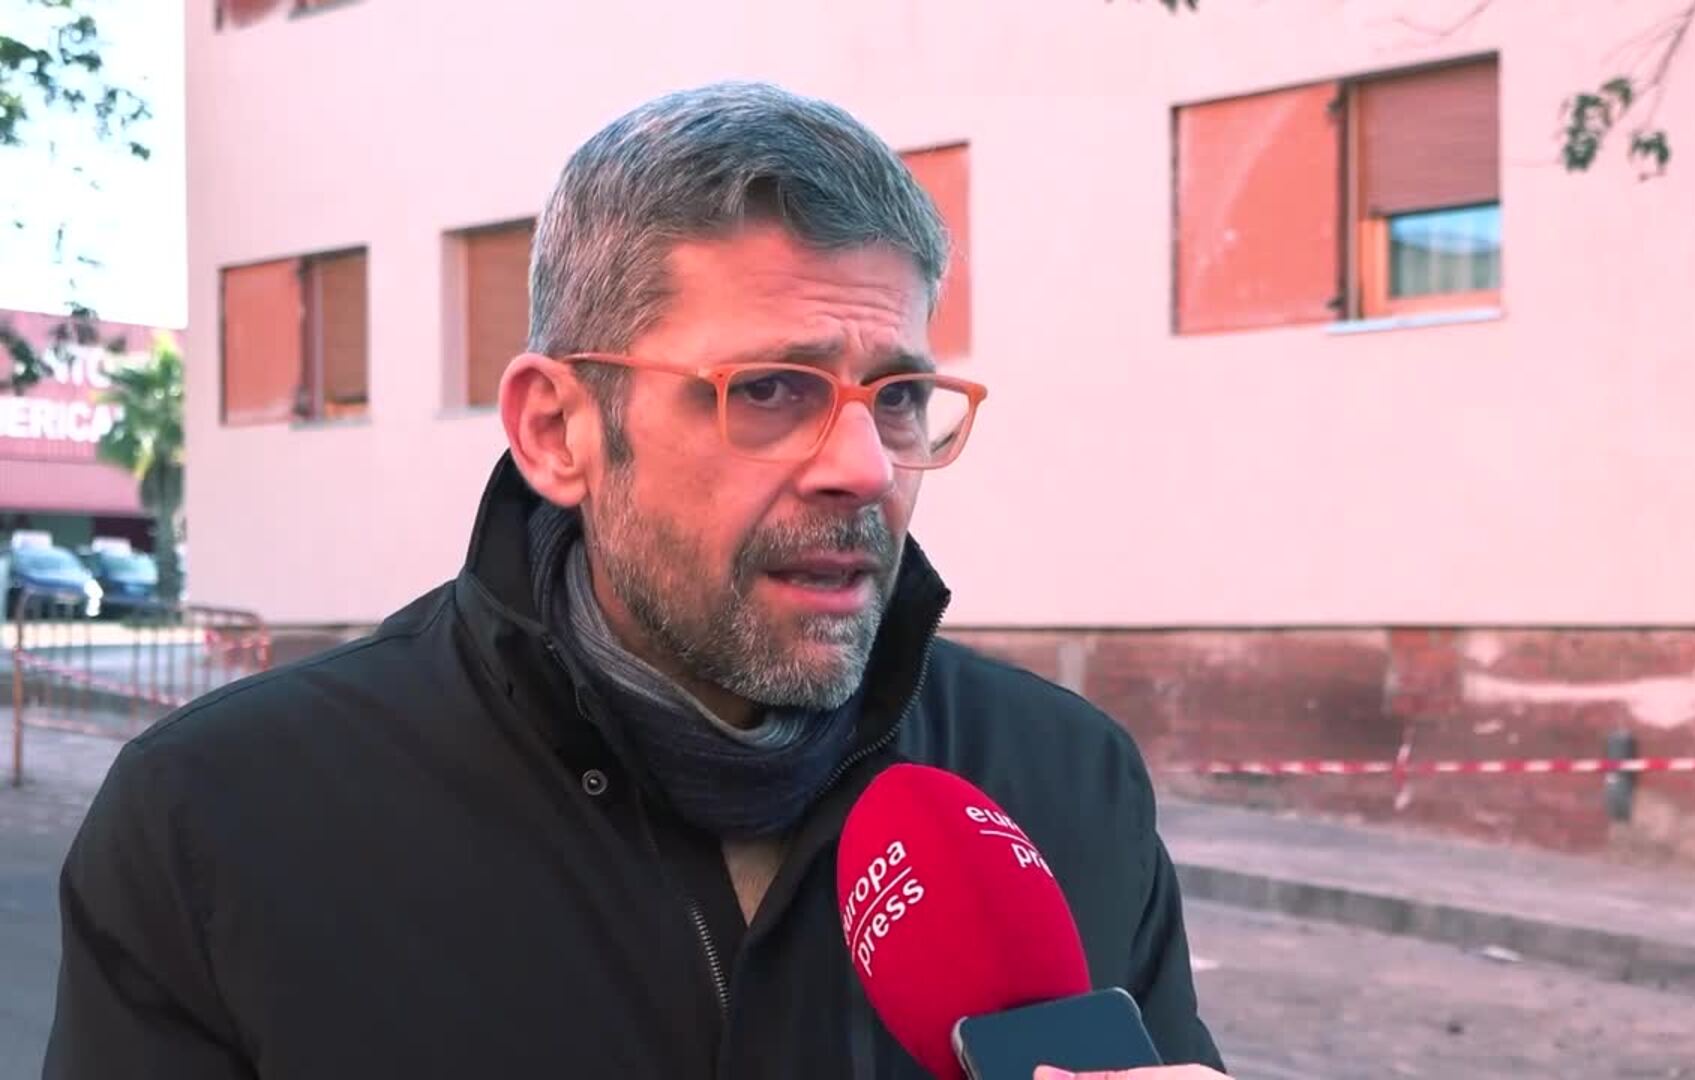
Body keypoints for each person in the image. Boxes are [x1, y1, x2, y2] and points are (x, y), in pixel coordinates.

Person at [43, 82, 1229, 1080]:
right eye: (771, 390)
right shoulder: (222, 821)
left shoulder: (1066, 782)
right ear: (558, 430)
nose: (866, 467)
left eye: (901, 396)